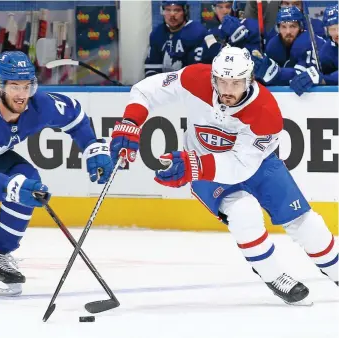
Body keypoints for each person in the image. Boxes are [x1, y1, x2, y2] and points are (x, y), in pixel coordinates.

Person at [110, 45, 338, 305]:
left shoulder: (266, 111)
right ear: (213, 78)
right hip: (206, 166)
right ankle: (272, 275)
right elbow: (145, 89)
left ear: (250, 79)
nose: (228, 90)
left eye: (236, 83)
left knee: (308, 224)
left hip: (256, 163)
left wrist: (193, 166)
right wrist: (130, 122)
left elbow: (241, 165)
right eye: (222, 82)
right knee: (244, 213)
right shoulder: (195, 78)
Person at [0, 51, 113, 296]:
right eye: (14, 86)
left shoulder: (39, 105)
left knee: (26, 179)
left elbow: (75, 116)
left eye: (27, 86)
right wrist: (12, 188)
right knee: (17, 186)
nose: (22, 94)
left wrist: (92, 148)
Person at [252, 6, 325, 87]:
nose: (288, 32)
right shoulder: (273, 45)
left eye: (292, 26)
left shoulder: (308, 42)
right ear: (278, 28)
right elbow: (267, 74)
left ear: (300, 27)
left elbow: (303, 77)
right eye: (283, 27)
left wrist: (274, 71)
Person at [144, 1, 207, 77]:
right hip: (163, 84)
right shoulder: (157, 33)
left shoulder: (197, 32)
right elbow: (152, 67)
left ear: (185, 11)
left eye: (177, 10)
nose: (172, 14)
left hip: (187, 83)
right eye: (168, 10)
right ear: (162, 11)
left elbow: (196, 71)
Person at [290, 4, 338, 96]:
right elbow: (308, 70)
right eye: (332, 29)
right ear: (327, 31)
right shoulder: (326, 51)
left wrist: (324, 79)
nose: (337, 33)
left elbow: (325, 78)